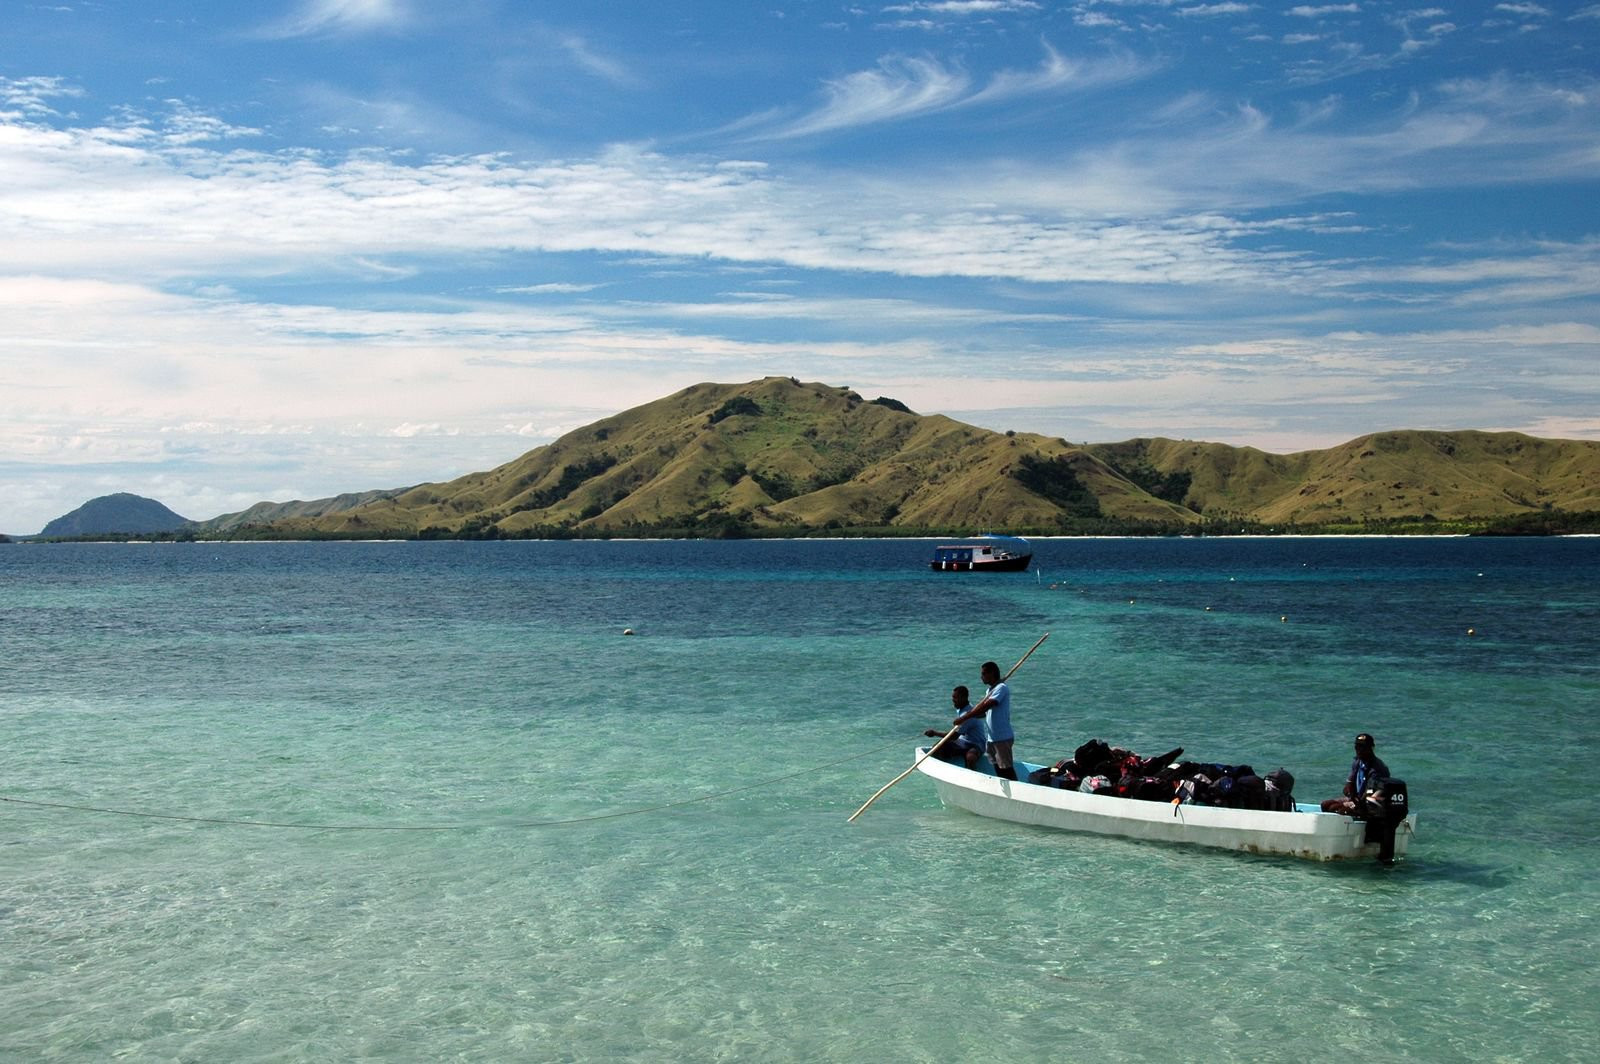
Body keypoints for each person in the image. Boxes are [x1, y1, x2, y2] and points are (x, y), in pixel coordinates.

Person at [954, 660, 1017, 780]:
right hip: (992, 738)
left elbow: (988, 705)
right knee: (998, 769)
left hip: (1002, 737)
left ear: (991, 673)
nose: (981, 677)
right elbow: (983, 713)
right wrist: (967, 719)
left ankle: (1018, 792)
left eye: (983, 674)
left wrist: (965, 717)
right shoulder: (989, 691)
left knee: (1007, 769)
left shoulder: (1001, 688)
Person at [1320, 732, 1390, 818]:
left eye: (1363, 747)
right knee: (1325, 805)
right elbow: (1347, 788)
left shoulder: (1377, 769)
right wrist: (1351, 794)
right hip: (1357, 799)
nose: (1359, 750)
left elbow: (1372, 794)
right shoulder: (1357, 762)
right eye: (1357, 746)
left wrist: (1355, 803)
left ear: (1371, 748)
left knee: (1341, 810)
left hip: (1370, 804)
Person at [924, 685, 985, 770]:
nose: (953, 700)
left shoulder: (966, 715)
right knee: (937, 748)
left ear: (963, 698)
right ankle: (947, 769)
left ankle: (972, 776)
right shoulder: (963, 707)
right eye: (953, 697)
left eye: (955, 697)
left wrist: (934, 733)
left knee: (970, 758)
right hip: (963, 741)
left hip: (976, 744)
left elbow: (954, 736)